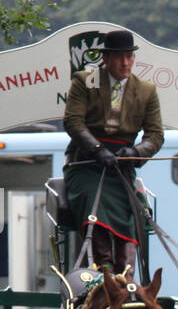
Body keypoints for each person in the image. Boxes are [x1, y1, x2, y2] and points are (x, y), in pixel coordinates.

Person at [62, 29, 164, 274]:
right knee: (92, 200)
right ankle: (105, 266)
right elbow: (73, 122)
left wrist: (136, 153)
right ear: (105, 59)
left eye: (129, 57)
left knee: (135, 208)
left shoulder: (146, 90)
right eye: (119, 57)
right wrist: (97, 149)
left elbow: (155, 135)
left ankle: (126, 271)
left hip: (122, 165)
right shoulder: (85, 81)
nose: (125, 63)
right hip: (86, 164)